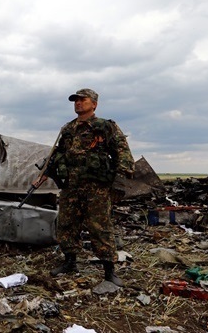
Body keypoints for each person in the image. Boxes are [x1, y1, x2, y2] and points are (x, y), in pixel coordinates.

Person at [36, 88, 134, 286]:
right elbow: (57, 154)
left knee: (100, 227)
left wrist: (118, 183)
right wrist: (44, 174)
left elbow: (123, 154)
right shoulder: (68, 129)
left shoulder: (105, 127)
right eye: (76, 100)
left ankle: (109, 271)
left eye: (83, 100)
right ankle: (70, 262)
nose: (78, 103)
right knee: (66, 225)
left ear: (94, 104)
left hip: (96, 188)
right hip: (71, 186)